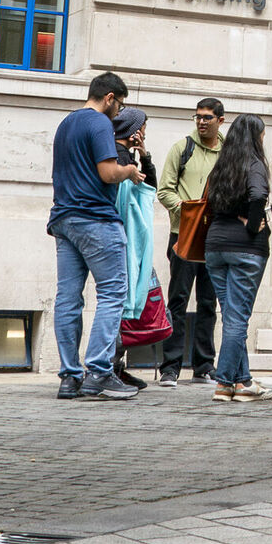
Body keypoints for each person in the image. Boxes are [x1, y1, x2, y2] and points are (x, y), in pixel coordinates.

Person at [49, 74, 145, 400]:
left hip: (64, 219)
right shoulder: (101, 123)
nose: (119, 112)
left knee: (68, 299)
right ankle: (100, 372)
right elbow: (108, 173)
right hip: (96, 219)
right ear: (109, 98)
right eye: (120, 104)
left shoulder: (67, 123)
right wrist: (129, 170)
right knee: (113, 292)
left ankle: (69, 377)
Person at [201, 112, 272, 401]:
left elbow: (207, 202)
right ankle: (225, 381)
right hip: (245, 248)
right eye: (262, 133)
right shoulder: (254, 164)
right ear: (255, 137)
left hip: (215, 246)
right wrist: (255, 225)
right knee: (238, 317)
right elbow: (258, 196)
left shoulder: (220, 166)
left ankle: (243, 383)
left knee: (231, 314)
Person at [156, 98, 225, 386]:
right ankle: (170, 367)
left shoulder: (229, 153)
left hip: (214, 238)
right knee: (178, 300)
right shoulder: (181, 148)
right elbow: (164, 191)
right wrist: (188, 209)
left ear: (221, 120)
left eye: (208, 117)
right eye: (198, 117)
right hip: (183, 236)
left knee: (209, 302)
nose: (201, 122)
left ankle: (204, 366)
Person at [110, 106, 160, 391]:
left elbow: (149, 187)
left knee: (129, 300)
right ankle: (110, 366)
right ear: (135, 130)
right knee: (119, 302)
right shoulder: (118, 159)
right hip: (123, 238)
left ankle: (118, 366)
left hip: (133, 237)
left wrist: (145, 156)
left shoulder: (129, 157)